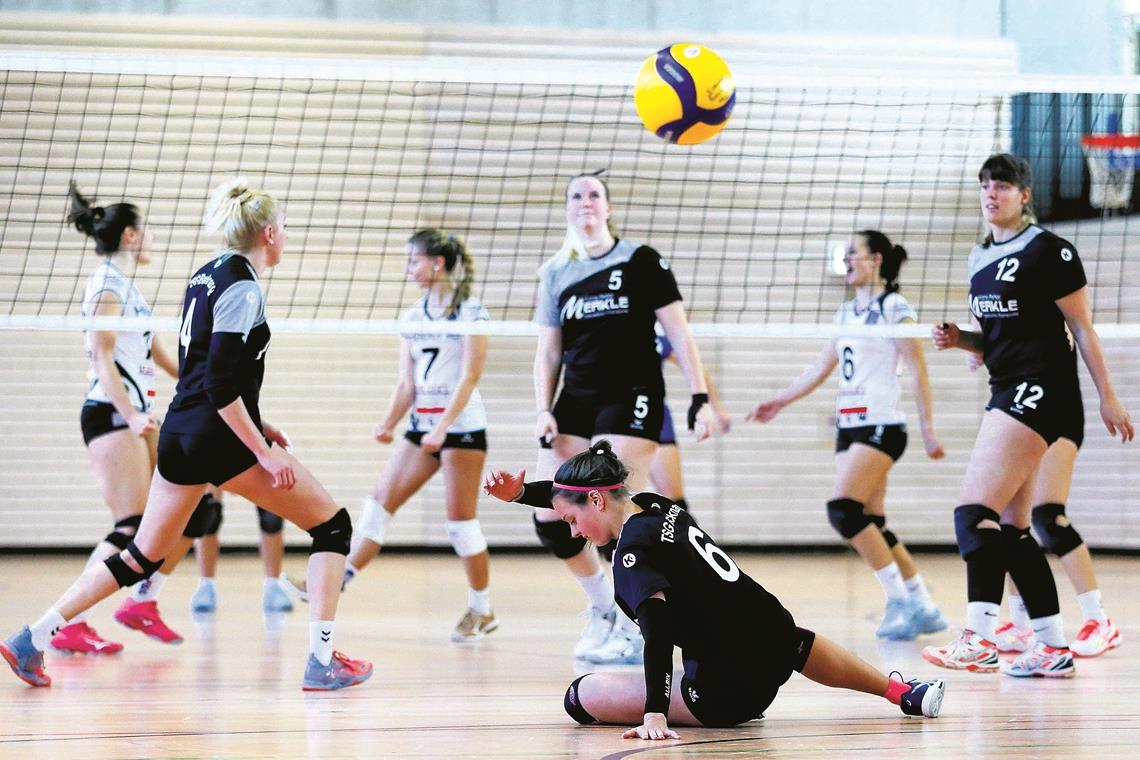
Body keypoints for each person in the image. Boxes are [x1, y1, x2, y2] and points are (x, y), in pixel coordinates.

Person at [1, 178, 372, 691]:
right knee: (334, 528)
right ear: (267, 233)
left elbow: (202, 375)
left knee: (139, 556)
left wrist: (260, 423)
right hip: (217, 435)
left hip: (181, 430)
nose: (286, 235)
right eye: (284, 226)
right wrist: (261, 450)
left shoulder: (204, 276)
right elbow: (219, 384)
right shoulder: (244, 286)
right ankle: (321, 662)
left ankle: (31, 638)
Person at [483, 441, 945, 739]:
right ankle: (900, 693)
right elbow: (574, 494)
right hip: (779, 643)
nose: (575, 532)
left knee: (579, 695)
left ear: (598, 500)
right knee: (787, 635)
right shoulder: (655, 505)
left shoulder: (631, 554)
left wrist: (654, 714)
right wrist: (523, 495)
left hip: (726, 695)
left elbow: (658, 633)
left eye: (571, 521)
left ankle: (685, 705)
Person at [922, 153, 1133, 677]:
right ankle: (1052, 647)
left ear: (1024, 195)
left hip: (1041, 390)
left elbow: (1082, 329)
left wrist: (1109, 397)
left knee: (974, 514)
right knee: (1015, 529)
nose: (992, 193)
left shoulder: (1050, 251)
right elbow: (992, 338)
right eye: (986, 186)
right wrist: (960, 340)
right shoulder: (978, 257)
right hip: (1007, 386)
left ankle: (978, 636)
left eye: (1003, 185)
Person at [530, 170, 716, 664]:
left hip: (632, 395)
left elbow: (679, 332)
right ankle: (602, 608)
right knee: (551, 515)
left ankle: (641, 624)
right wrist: (543, 411)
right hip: (577, 398)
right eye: (576, 195)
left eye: (595, 195)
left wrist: (700, 395)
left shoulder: (641, 260)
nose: (585, 202)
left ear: (608, 208)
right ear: (567, 208)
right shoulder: (555, 273)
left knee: (613, 512)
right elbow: (548, 353)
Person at [282, 230, 496, 642]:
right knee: (377, 506)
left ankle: (482, 610)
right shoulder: (413, 317)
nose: (408, 270)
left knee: (460, 525)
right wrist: (388, 422)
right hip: (421, 428)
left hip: (461, 428)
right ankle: (335, 579)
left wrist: (442, 428)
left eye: (414, 261)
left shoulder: (472, 312)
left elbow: (469, 376)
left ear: (438, 263)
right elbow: (406, 382)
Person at [745, 230, 947, 641]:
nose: (847, 261)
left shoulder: (895, 307)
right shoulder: (846, 314)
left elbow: (919, 370)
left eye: (853, 254)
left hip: (882, 425)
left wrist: (928, 428)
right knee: (873, 522)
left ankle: (900, 601)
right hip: (849, 426)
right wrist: (780, 401)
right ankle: (923, 603)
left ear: (875, 260)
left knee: (844, 511)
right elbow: (820, 367)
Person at [50, 181, 192, 655]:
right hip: (110, 413)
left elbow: (151, 348)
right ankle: (69, 621)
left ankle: (142, 602)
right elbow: (100, 352)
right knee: (130, 525)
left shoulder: (126, 287)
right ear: (130, 236)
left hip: (131, 413)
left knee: (177, 512)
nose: (150, 236)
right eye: (145, 230)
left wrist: (197, 379)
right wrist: (131, 414)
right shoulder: (108, 285)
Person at [963, 354, 1122, 657]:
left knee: (1049, 517)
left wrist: (1108, 396)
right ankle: (1021, 624)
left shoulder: (1050, 309)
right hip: (1015, 407)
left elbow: (1079, 331)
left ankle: (1099, 620)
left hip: (1055, 409)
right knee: (1008, 520)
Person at [648, 328, 732, 508]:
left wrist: (717, 408)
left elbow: (695, 367)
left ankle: (680, 535)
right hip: (610, 421)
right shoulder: (597, 328)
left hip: (655, 419)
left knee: (675, 504)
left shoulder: (657, 336)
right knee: (606, 499)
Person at [186, 486, 294, 614]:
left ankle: (273, 585)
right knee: (209, 512)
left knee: (272, 517)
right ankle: (206, 585)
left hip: (260, 466)